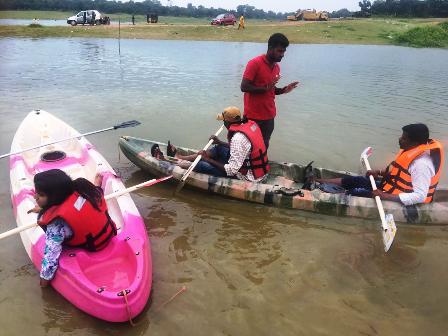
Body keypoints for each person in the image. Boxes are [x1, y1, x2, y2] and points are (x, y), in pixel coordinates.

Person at [28, 169, 117, 287]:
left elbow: (51, 256)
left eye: (41, 195)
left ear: (55, 197)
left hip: (92, 247)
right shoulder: (83, 191)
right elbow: (97, 193)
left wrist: (44, 284)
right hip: (109, 233)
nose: (35, 197)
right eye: (37, 192)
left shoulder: (56, 225)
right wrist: (97, 184)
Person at [317, 124, 444, 205]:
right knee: (356, 180)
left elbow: (420, 196)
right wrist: (379, 173)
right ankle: (318, 181)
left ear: (415, 142)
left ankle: (320, 195)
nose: (400, 139)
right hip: (391, 189)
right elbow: (399, 172)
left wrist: (384, 196)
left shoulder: (421, 165)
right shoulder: (411, 151)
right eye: (401, 136)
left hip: (401, 198)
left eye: (404, 138)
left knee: (356, 191)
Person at [169, 106, 270, 182]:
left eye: (224, 121)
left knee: (203, 165)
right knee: (219, 148)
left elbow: (232, 171)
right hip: (255, 168)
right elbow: (243, 148)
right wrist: (219, 142)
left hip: (248, 176)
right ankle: (180, 157)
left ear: (227, 122)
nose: (223, 123)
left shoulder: (237, 139)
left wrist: (207, 159)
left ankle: (176, 164)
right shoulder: (249, 125)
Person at [241, 33, 299, 148]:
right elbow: (244, 87)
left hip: (269, 116)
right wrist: (265, 88)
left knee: (264, 144)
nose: (282, 55)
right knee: (248, 146)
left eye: (284, 52)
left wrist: (284, 90)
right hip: (253, 116)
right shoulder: (254, 63)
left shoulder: (277, 67)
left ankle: (261, 166)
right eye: (280, 51)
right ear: (270, 48)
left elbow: (271, 90)